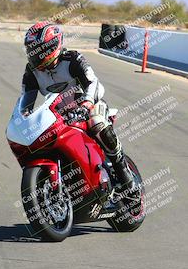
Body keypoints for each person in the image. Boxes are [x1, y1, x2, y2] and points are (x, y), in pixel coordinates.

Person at [21, 22, 134, 194]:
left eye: (39, 49)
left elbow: (92, 82)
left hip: (88, 106)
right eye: (31, 49)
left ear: (53, 46)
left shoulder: (72, 59)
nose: (34, 55)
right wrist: (24, 115)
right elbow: (27, 97)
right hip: (59, 115)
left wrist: (87, 103)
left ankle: (125, 175)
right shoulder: (32, 71)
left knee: (97, 123)